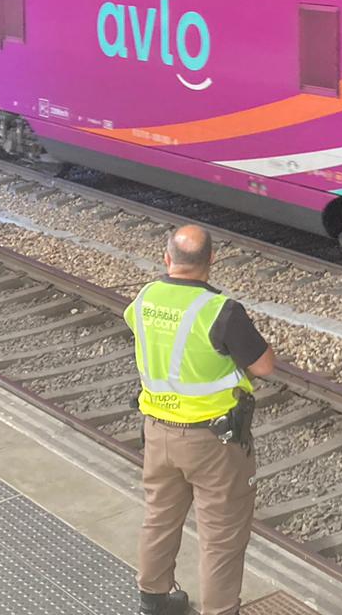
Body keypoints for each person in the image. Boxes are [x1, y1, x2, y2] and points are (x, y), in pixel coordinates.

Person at [128, 225, 276, 615]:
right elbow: (264, 366)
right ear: (212, 260)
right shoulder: (220, 311)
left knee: (159, 516)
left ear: (167, 259)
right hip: (212, 443)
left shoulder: (144, 299)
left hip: (157, 433)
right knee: (221, 537)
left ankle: (154, 598)